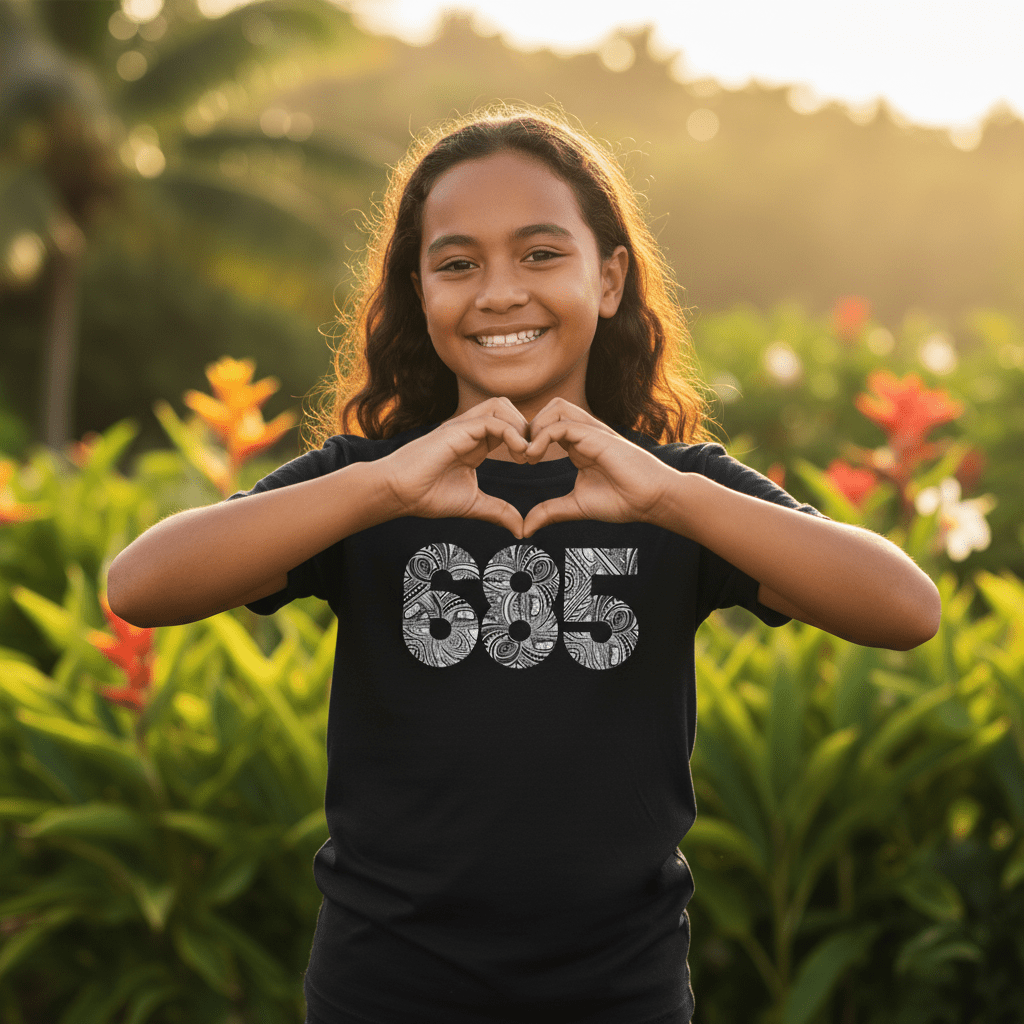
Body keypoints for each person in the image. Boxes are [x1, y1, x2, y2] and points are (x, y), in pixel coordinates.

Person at [108, 105, 941, 1024]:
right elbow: (142, 586)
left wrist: (668, 497)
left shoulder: (678, 491)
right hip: (385, 991)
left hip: (617, 995)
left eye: (542, 254)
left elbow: (905, 608)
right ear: (419, 295)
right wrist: (384, 489)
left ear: (610, 277)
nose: (499, 292)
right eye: (457, 264)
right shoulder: (367, 485)